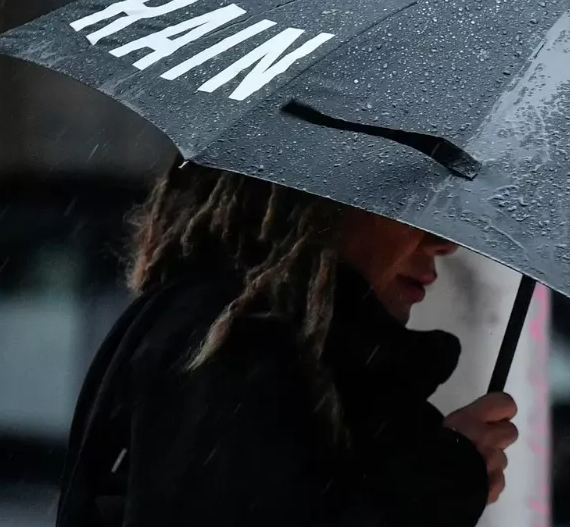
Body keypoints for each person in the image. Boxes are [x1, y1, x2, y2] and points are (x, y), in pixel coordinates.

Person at [56, 159, 517, 527]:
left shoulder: (299, 351)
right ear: (320, 201)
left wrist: (443, 471)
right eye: (411, 201)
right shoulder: (232, 345)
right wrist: (439, 485)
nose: (442, 242)